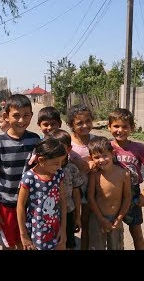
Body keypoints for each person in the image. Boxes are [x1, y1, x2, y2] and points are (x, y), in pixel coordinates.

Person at [0, 94, 40, 249]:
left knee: (26, 242)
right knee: (9, 243)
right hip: (6, 203)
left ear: (31, 115)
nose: (21, 120)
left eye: (26, 116)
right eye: (16, 116)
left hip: (29, 204)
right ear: (6, 116)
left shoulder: (35, 140)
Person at [108, 108, 144, 250]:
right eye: (116, 126)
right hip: (113, 194)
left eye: (125, 126)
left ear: (132, 128)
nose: (120, 130)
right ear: (109, 127)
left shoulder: (139, 148)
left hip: (133, 194)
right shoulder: (107, 147)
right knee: (112, 230)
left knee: (136, 231)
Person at [17, 136, 67, 250]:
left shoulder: (58, 174)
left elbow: (63, 201)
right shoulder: (29, 177)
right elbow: (20, 206)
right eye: (56, 163)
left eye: (61, 162)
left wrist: (63, 229)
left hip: (56, 228)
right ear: (41, 160)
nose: (59, 166)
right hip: (36, 231)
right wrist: (23, 235)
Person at [87, 136, 131, 250]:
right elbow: (90, 197)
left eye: (105, 155)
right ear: (91, 158)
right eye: (96, 157)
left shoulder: (124, 174)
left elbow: (127, 197)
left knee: (116, 246)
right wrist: (101, 219)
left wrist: (119, 218)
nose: (101, 160)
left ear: (113, 154)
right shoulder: (94, 175)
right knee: (96, 247)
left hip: (116, 219)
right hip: (97, 218)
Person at [66, 104, 97, 250]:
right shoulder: (67, 143)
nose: (85, 125)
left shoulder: (96, 141)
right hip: (71, 191)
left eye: (88, 121)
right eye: (79, 123)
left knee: (86, 222)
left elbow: (107, 158)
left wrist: (94, 162)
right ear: (71, 124)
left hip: (91, 190)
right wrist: (75, 161)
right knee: (71, 221)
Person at [46, 129, 83, 250]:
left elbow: (76, 194)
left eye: (62, 148)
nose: (58, 152)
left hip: (68, 211)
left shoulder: (72, 169)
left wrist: (77, 216)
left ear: (69, 148)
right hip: (47, 214)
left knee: (67, 243)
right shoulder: (44, 169)